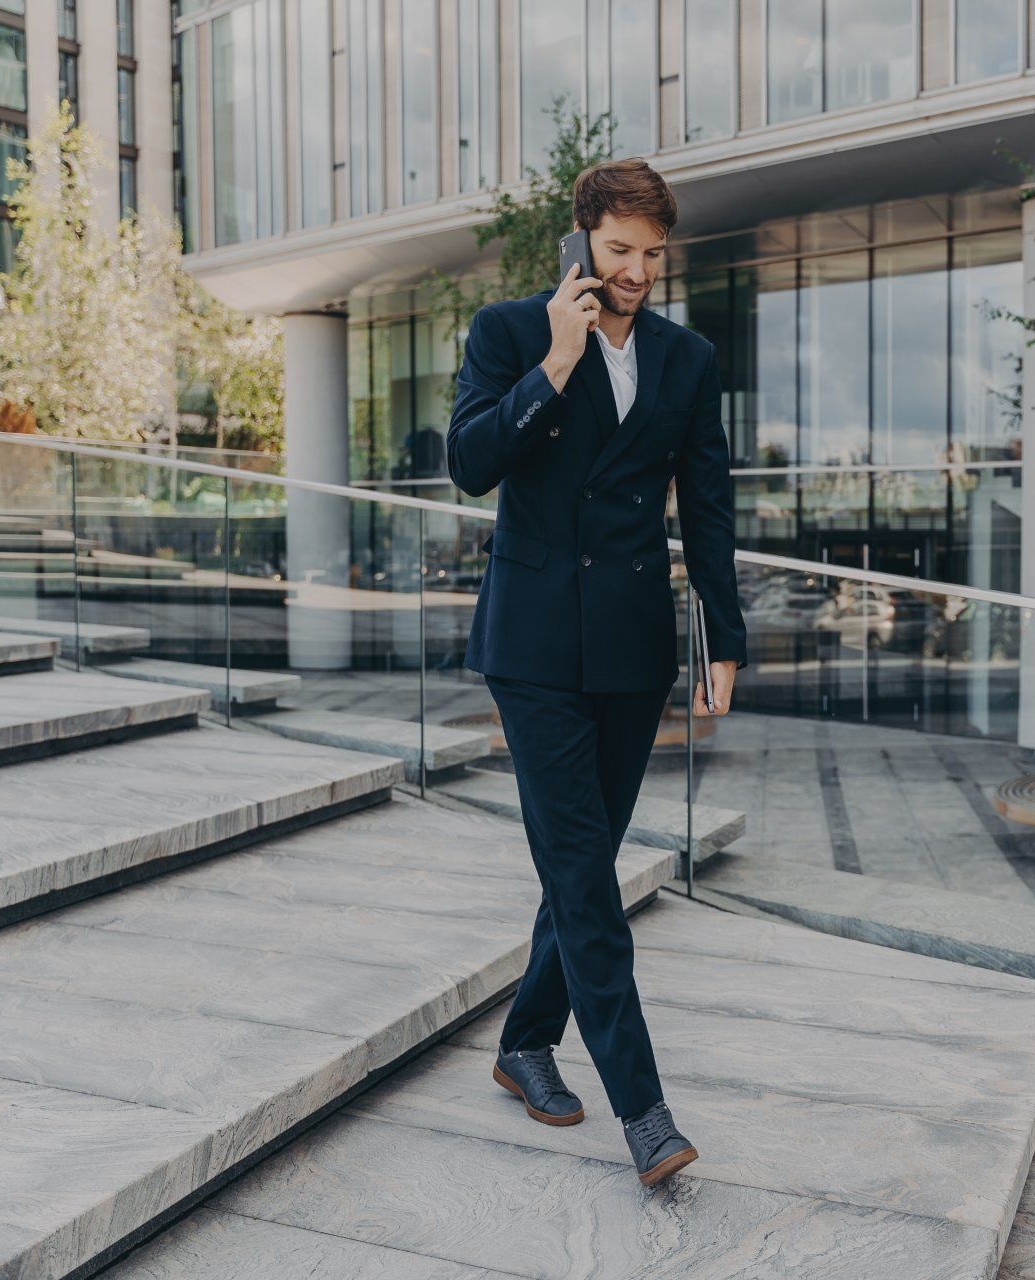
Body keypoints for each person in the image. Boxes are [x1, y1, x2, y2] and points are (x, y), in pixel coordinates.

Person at [446, 157, 746, 1188]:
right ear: (578, 243)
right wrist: (556, 363)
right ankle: (645, 1108)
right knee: (583, 877)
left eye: (652, 254)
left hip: (630, 646)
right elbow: (470, 462)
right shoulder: (508, 334)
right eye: (619, 251)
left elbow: (706, 503)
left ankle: (524, 1039)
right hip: (531, 648)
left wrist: (724, 637)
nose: (638, 271)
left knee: (586, 865)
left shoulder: (685, 357)